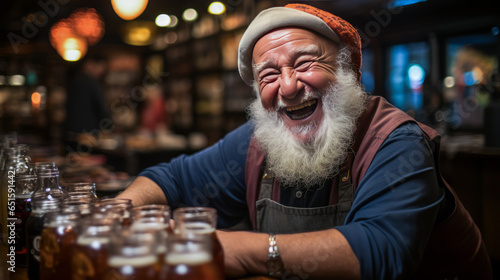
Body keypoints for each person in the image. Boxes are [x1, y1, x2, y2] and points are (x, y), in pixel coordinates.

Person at [117, 4, 493, 279]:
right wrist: (114, 213)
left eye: (304, 64)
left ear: (346, 70)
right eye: (268, 75)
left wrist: (242, 250)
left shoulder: (397, 142)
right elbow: (172, 179)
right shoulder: (256, 142)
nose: (288, 86)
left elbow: (383, 252)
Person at [63, 54, 111, 150]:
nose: (101, 71)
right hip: (87, 133)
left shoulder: (75, 80)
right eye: (100, 67)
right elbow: (100, 107)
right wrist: (108, 126)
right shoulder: (91, 83)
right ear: (89, 64)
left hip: (72, 131)